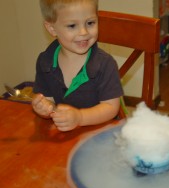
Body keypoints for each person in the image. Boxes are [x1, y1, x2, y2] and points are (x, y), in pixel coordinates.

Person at [32, 0, 123, 131]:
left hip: (100, 136)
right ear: (52, 29)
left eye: (90, 23)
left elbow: (111, 108)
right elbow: (48, 101)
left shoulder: (105, 64)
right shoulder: (45, 61)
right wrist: (44, 108)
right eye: (72, 25)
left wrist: (80, 117)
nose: (83, 32)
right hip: (63, 139)